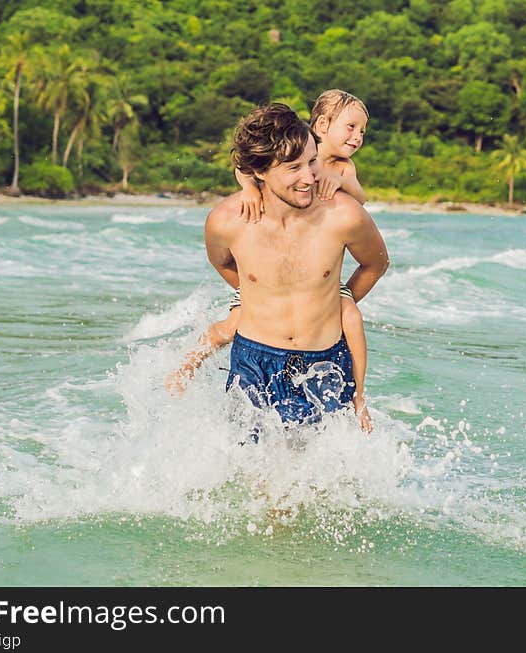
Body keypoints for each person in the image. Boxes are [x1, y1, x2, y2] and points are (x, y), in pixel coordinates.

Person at [166, 103, 388, 435]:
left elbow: (376, 263)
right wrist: (260, 296)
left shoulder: (344, 215)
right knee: (256, 477)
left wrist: (334, 301)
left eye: (312, 162)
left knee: (326, 480)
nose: (309, 177)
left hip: (326, 363)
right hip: (254, 362)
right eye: (293, 167)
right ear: (259, 171)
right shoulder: (226, 222)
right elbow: (222, 262)